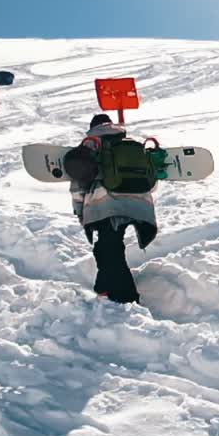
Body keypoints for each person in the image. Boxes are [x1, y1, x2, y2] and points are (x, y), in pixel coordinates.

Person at [65, 114, 158, 304]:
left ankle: (126, 297)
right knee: (107, 245)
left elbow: (78, 184)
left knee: (110, 248)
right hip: (139, 203)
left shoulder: (91, 145)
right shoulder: (132, 143)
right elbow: (152, 182)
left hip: (105, 205)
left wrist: (79, 211)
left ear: (93, 127)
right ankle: (104, 288)